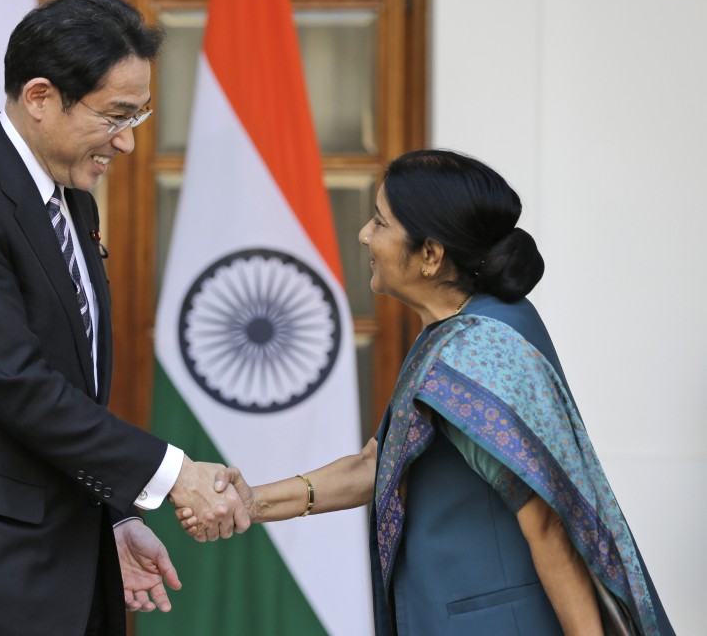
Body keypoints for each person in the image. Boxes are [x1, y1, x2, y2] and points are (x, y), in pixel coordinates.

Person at [0, 0, 248, 636]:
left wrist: (116, 517)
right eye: (115, 117)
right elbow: (17, 383)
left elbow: (71, 384)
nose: (125, 144)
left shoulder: (70, 198)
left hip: (61, 561)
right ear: (39, 98)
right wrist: (173, 473)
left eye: (137, 118)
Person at [177, 150, 674, 635]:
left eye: (380, 222)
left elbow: (548, 527)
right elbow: (377, 464)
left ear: (431, 255)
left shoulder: (477, 350)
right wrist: (252, 501)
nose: (364, 235)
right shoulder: (454, 332)